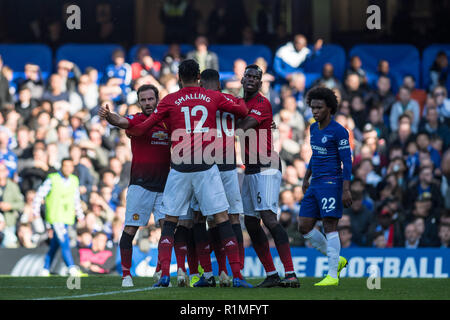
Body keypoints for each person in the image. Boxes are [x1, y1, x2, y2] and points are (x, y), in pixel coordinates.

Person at [126, 59, 250, 288]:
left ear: (179, 77)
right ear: (199, 76)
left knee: (171, 222)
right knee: (222, 219)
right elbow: (242, 109)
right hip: (206, 167)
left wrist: (120, 123)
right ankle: (237, 276)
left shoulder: (170, 100)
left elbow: (144, 127)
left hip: (180, 169)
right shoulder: (213, 96)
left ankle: (164, 275)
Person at [98, 84, 171, 287]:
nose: (147, 103)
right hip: (140, 186)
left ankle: (162, 272)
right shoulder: (136, 120)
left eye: (151, 99)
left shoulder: (167, 122)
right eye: (144, 100)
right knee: (130, 229)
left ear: (157, 99)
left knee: (167, 229)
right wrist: (110, 116)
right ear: (139, 102)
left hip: (165, 187)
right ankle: (126, 275)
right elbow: (120, 121)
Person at [237, 64, 300, 288]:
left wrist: (225, 122)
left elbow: (243, 127)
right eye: (249, 76)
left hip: (266, 165)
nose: (252, 79)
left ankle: (290, 273)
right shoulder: (240, 103)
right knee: (252, 223)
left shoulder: (262, 103)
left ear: (261, 83)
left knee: (268, 218)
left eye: (256, 77)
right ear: (242, 79)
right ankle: (272, 273)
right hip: (250, 168)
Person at [187, 69, 247, 288]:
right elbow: (245, 113)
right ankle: (236, 273)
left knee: (200, 218)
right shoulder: (231, 100)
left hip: (204, 166)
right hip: (229, 166)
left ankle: (209, 273)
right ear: (220, 85)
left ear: (201, 85)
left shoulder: (198, 103)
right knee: (231, 219)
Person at [298, 86, 352, 286]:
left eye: (319, 108)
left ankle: (332, 275)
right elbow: (316, 153)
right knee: (303, 226)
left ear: (329, 108)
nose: (315, 112)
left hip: (331, 183)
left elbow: (347, 161)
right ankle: (336, 260)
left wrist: (346, 189)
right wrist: (306, 176)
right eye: (312, 108)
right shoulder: (313, 128)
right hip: (315, 183)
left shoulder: (339, 131)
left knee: (329, 225)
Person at [33, 158, 85, 276]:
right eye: (65, 166)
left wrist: (80, 214)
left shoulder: (74, 180)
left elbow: (76, 199)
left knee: (55, 245)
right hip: (55, 217)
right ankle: (71, 267)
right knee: (64, 241)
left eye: (70, 166)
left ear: (72, 168)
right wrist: (35, 210)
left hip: (67, 217)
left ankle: (45, 268)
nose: (67, 168)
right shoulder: (52, 179)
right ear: (61, 166)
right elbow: (39, 194)